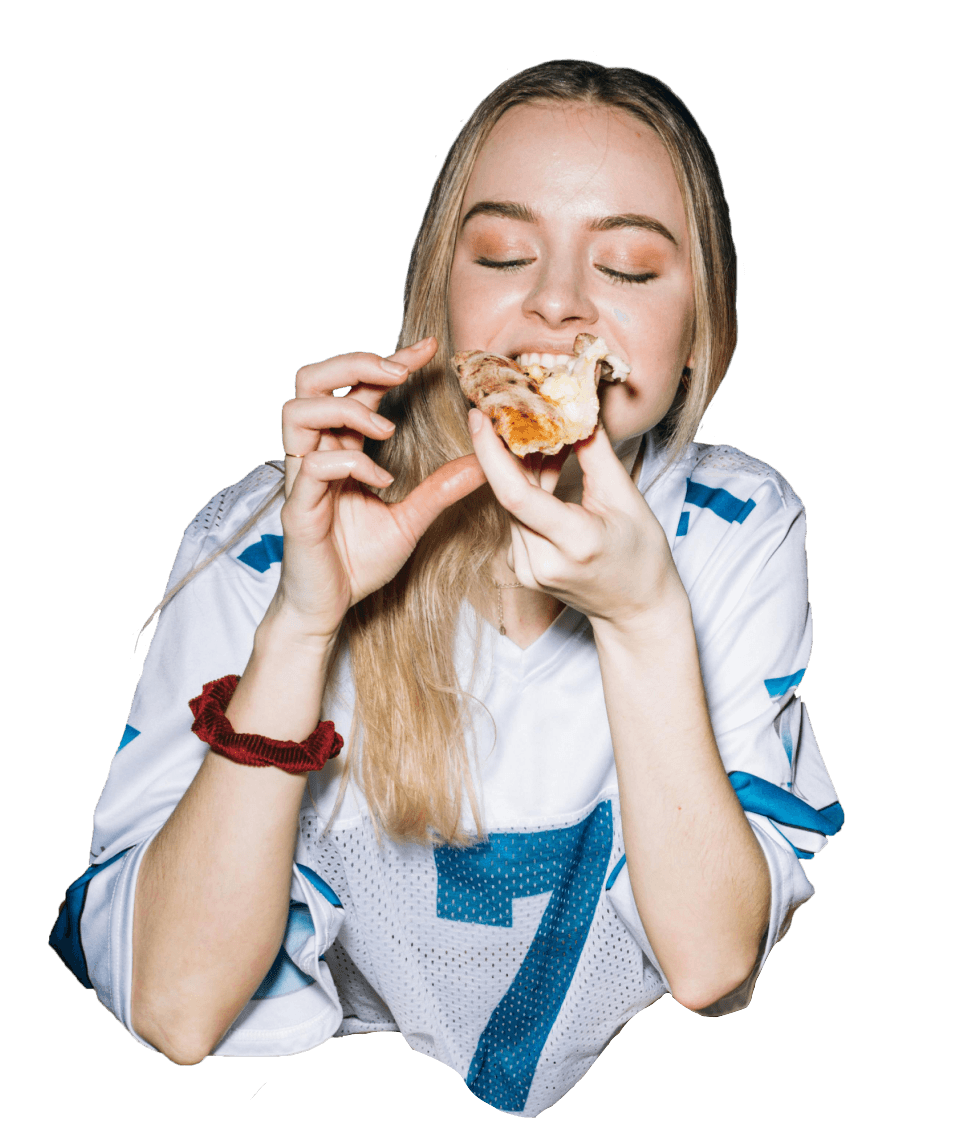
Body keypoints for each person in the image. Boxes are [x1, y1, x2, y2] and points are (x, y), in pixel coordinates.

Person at [50, 60, 842, 1118]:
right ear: (440, 296)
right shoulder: (273, 532)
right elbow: (176, 1007)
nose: (556, 302)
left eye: (629, 268)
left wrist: (644, 617)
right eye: (504, 254)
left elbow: (709, 967)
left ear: (698, 335)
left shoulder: (737, 529)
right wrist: (303, 620)